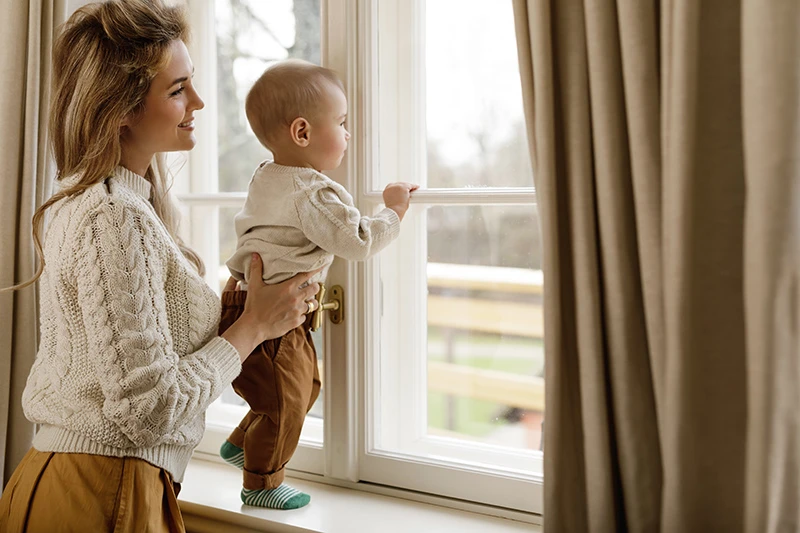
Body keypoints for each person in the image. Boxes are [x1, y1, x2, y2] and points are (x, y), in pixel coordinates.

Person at [0, 2, 321, 531]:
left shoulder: (111, 204)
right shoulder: (113, 215)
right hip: (97, 492)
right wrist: (253, 327)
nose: (197, 101)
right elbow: (148, 408)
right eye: (177, 90)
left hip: (90, 485)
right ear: (120, 109)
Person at [219, 59, 418, 510]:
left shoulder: (266, 176)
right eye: (343, 124)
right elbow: (357, 240)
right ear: (303, 133)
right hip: (270, 316)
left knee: (302, 387)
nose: (349, 135)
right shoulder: (312, 191)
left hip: (245, 301)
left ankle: (241, 441)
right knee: (287, 400)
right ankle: (261, 485)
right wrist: (393, 210)